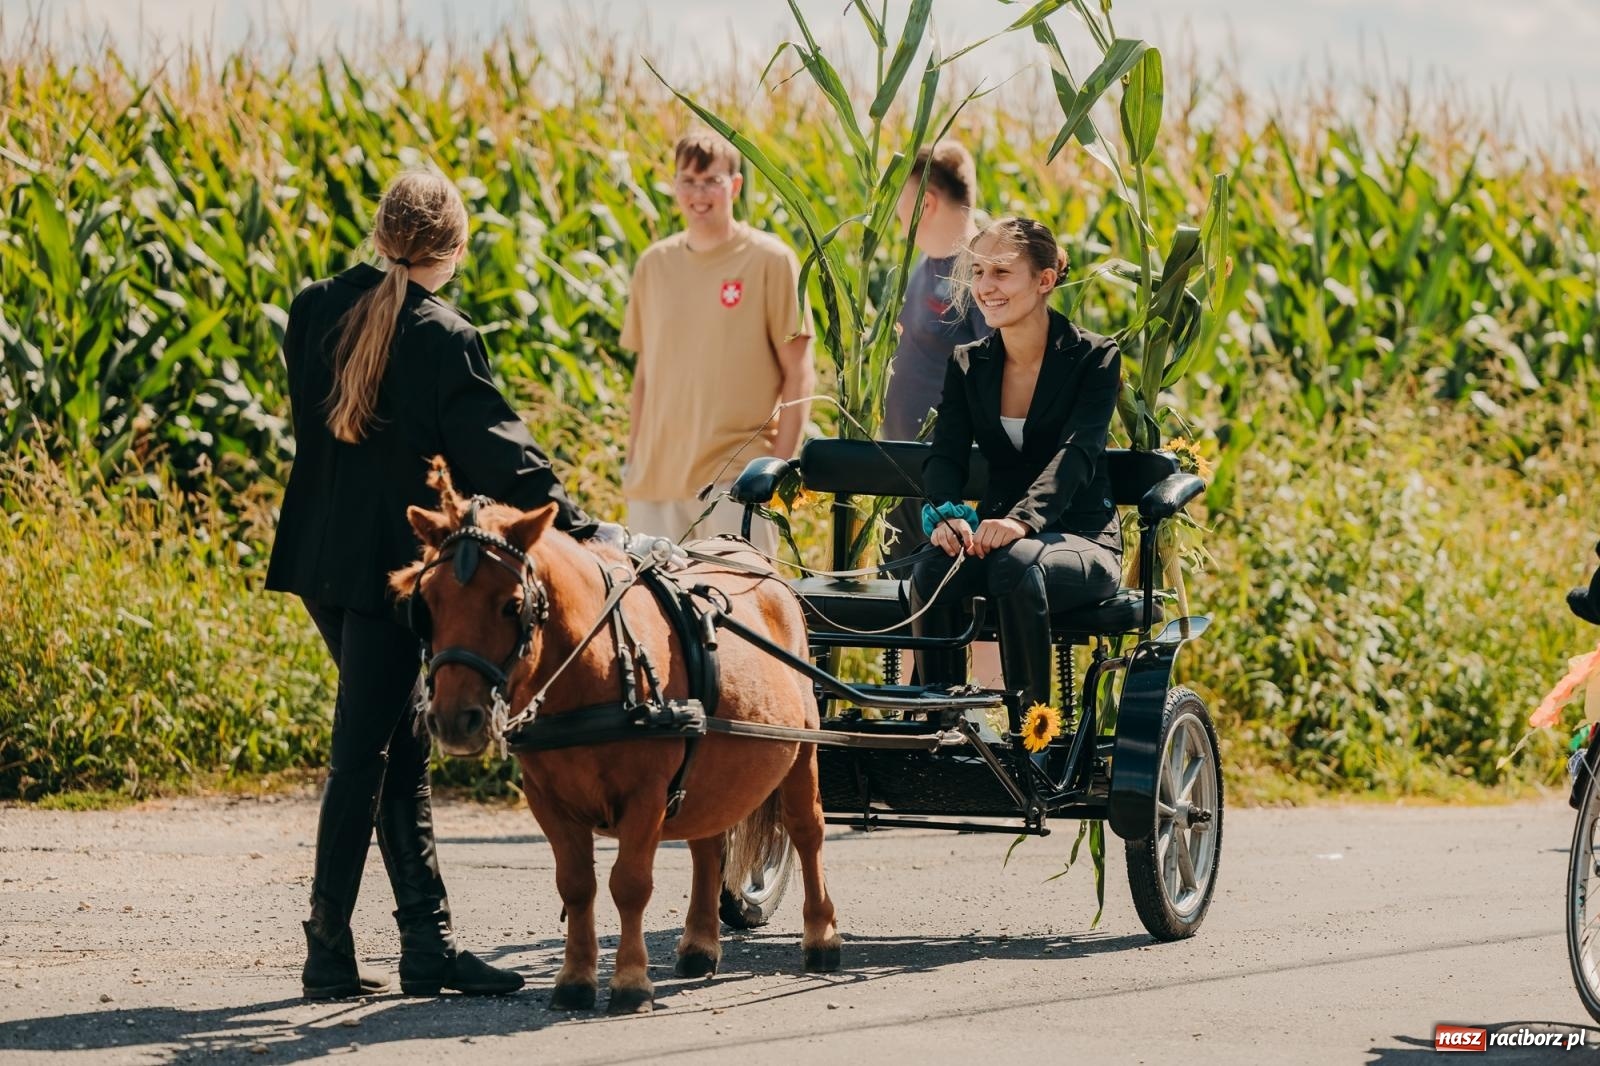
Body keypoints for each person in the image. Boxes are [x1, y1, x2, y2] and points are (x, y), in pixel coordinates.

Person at [265, 169, 599, 999]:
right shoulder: (444, 336)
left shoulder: (311, 307)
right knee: (364, 756)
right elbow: (502, 457)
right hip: (396, 576)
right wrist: (579, 523)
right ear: (451, 248)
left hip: (318, 562)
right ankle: (328, 950)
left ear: (381, 235)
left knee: (396, 743)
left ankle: (425, 945)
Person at [909, 217, 1123, 719]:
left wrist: (1022, 520)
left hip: (1082, 538)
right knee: (933, 568)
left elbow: (1077, 452)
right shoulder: (968, 362)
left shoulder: (1094, 357)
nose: (986, 287)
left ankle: (1035, 733)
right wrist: (944, 513)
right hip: (996, 534)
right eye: (979, 272)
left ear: (1044, 280)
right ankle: (938, 727)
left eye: (1002, 272)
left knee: (1017, 565)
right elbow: (945, 453)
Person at [621, 128, 814, 556]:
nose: (699, 193)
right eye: (688, 181)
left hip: (736, 482)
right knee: (651, 618)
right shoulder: (653, 265)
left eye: (712, 180)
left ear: (736, 185)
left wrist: (777, 472)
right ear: (674, 186)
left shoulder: (770, 260)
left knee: (738, 616)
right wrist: (632, 460)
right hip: (654, 485)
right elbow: (644, 376)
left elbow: (798, 374)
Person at [880, 140, 992, 570]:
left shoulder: (980, 276)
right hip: (904, 470)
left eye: (900, 202)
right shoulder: (922, 265)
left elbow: (999, 374)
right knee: (908, 610)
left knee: (962, 613)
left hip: (949, 480)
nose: (895, 214)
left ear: (926, 202)